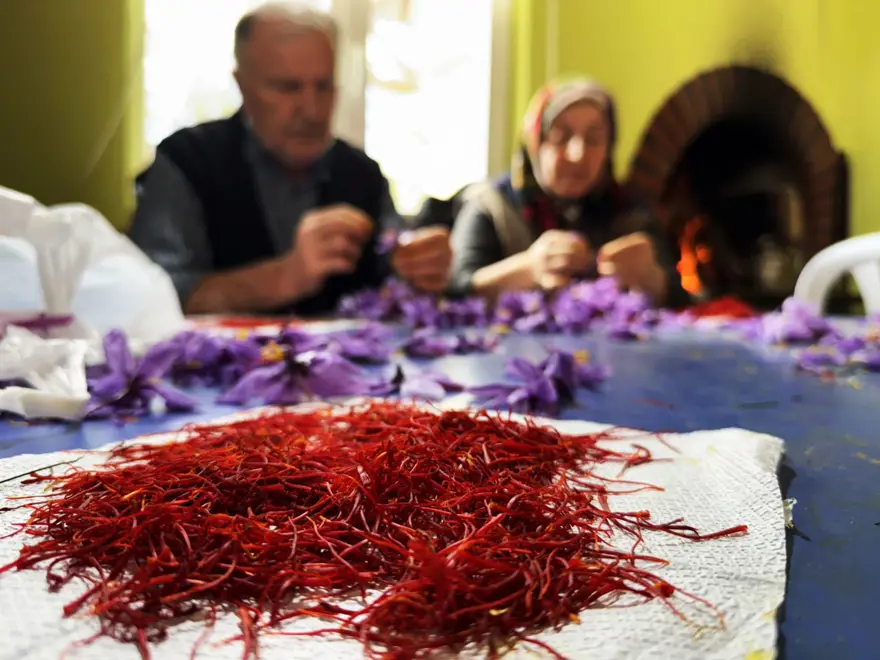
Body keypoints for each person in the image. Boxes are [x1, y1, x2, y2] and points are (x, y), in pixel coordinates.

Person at [129, 2, 451, 316]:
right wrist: (284, 277)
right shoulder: (186, 163)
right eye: (288, 88)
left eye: (324, 87)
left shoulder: (362, 174)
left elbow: (394, 272)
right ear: (242, 85)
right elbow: (152, 301)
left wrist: (419, 268)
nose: (312, 110)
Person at [448, 78, 689, 307]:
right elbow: (453, 292)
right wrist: (529, 269)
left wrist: (653, 279)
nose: (578, 155)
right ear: (536, 145)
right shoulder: (492, 205)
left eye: (594, 139)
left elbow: (685, 296)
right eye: (561, 137)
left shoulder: (629, 211)